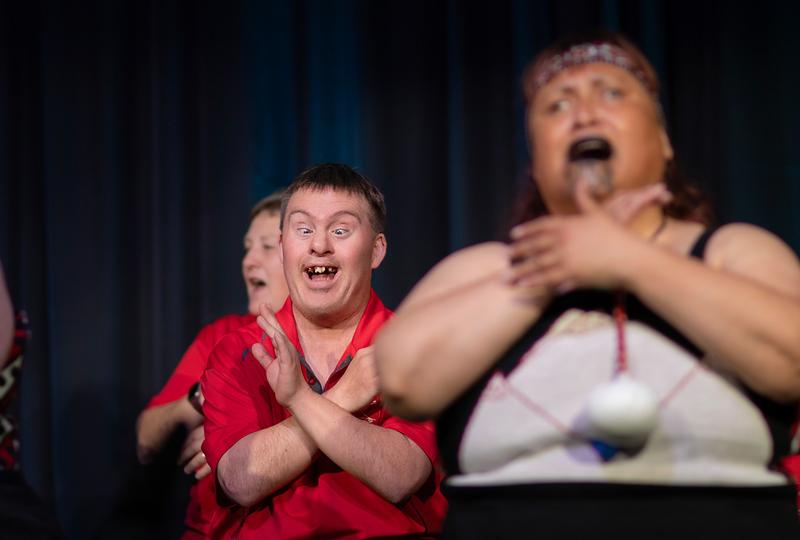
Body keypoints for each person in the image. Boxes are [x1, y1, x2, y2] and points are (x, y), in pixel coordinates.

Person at [375, 31, 800, 538]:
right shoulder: (488, 269)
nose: (584, 112)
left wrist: (630, 259)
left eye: (612, 93)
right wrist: (559, 266)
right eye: (557, 105)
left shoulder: (732, 251)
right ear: (536, 163)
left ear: (664, 141)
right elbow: (402, 379)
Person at [201, 163, 447, 539]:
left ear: (377, 250)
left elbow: (400, 475)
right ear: (283, 247)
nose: (319, 244)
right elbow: (240, 480)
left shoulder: (412, 344)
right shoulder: (238, 350)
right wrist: (344, 395)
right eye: (303, 230)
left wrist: (299, 400)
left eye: (340, 230)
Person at [136, 191, 289, 539]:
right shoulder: (222, 335)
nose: (249, 261)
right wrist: (203, 400)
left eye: (267, 246)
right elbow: (146, 442)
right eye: (246, 248)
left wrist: (229, 436)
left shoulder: (335, 335)